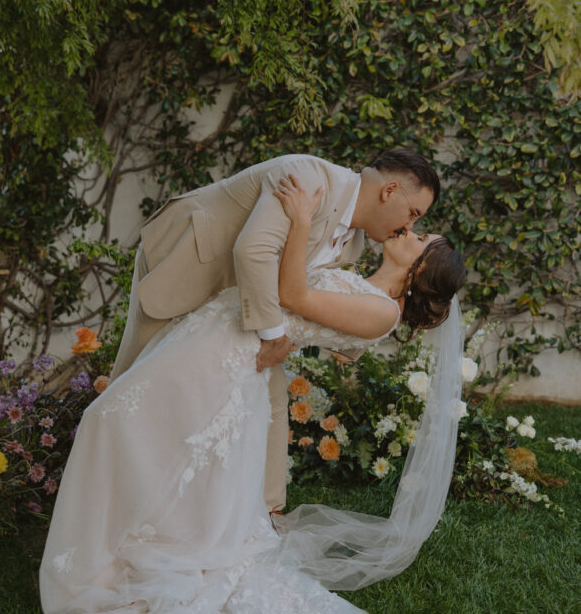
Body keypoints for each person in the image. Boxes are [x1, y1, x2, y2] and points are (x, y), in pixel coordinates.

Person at [39, 173, 466, 614]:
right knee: (139, 434)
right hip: (217, 334)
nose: (411, 230)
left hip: (228, 353)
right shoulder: (360, 275)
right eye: (417, 223)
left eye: (423, 238)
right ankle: (121, 551)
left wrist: (304, 219)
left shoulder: (381, 312)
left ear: (422, 270)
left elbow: (291, 294)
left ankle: (105, 561)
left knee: (112, 422)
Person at [109, 149, 440, 515]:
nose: (408, 227)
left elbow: (301, 296)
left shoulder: (355, 243)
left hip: (232, 317)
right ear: (390, 190)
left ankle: (266, 512)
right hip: (189, 263)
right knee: (132, 388)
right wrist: (272, 338)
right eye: (413, 213)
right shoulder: (309, 179)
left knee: (270, 394)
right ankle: (108, 499)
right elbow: (254, 252)